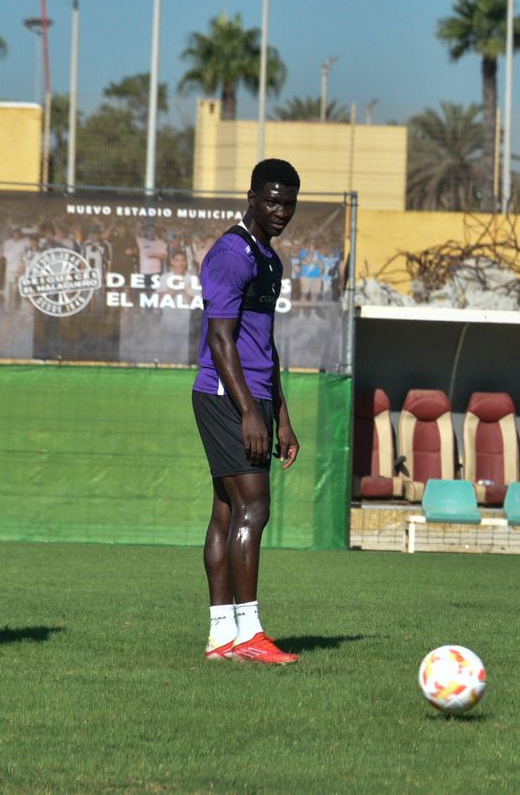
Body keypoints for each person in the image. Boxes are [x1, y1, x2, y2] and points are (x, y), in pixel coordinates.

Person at [191, 159, 302, 665]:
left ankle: (221, 637)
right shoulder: (231, 253)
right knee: (254, 509)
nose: (281, 210)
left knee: (227, 511)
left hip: (254, 396)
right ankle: (249, 634)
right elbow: (220, 340)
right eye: (272, 200)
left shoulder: (270, 260)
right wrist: (248, 413)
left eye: (289, 202)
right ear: (251, 197)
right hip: (225, 395)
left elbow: (266, 347)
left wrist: (280, 414)